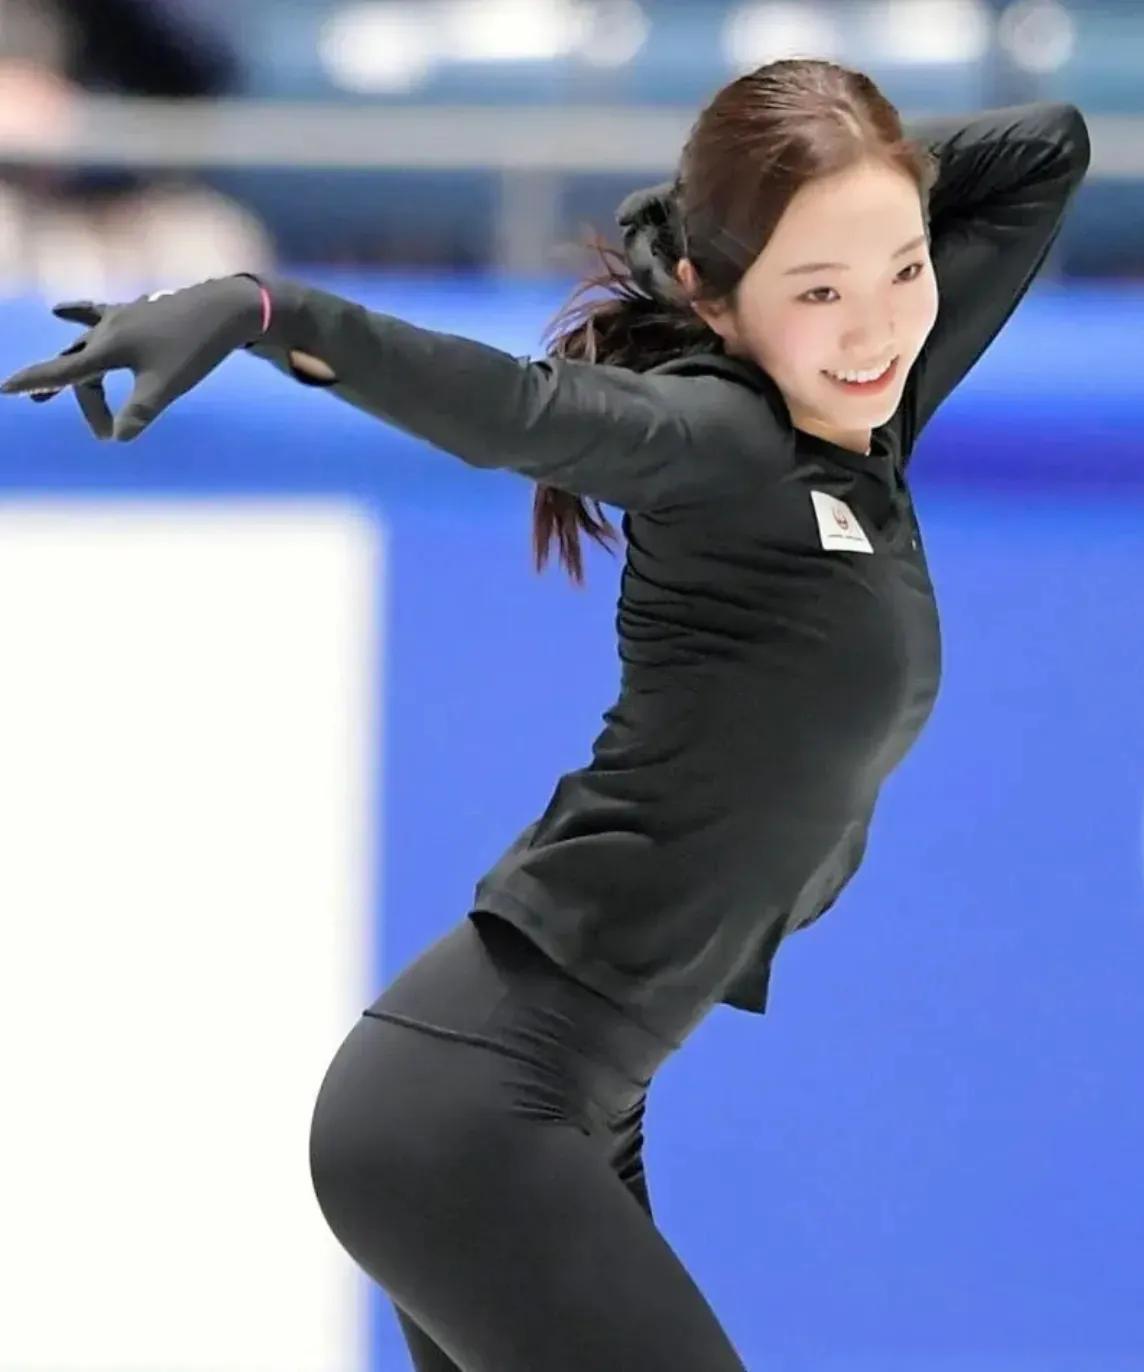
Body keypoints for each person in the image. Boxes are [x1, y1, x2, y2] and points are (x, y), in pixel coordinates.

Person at [1, 58, 1090, 1372]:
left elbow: (1046, 145)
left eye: (906, 269)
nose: (876, 329)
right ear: (715, 299)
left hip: (561, 1112)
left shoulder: (870, 412)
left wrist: (834, 178)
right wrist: (264, 307)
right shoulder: (718, 441)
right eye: (817, 290)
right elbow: (511, 410)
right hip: (472, 1115)